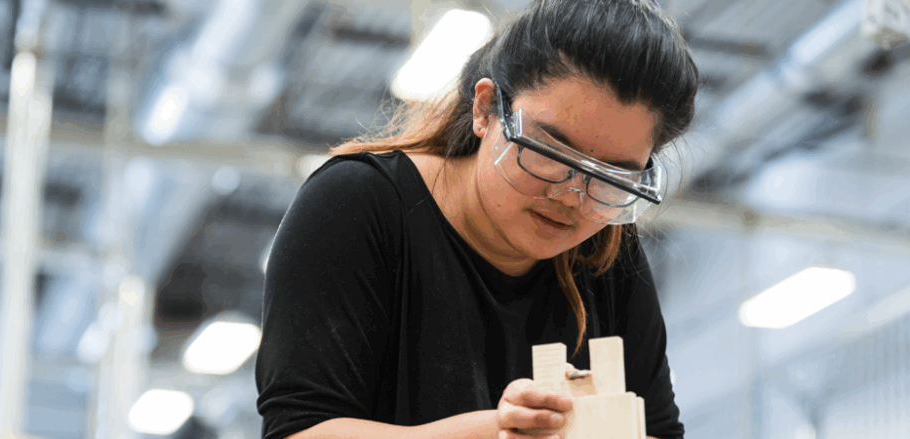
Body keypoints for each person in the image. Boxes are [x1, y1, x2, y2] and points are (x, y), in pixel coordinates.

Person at [255, 0, 698, 438]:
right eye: (548, 152)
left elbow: (657, 428)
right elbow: (301, 429)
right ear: (485, 109)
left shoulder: (607, 246)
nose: (571, 197)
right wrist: (495, 431)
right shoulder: (357, 205)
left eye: (609, 178)